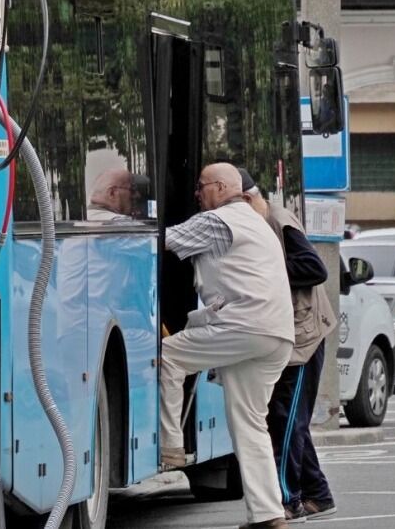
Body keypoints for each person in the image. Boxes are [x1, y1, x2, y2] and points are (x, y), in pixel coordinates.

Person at [160, 162, 295, 529]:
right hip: (277, 335)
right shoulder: (256, 221)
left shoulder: (218, 220)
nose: (197, 194)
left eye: (201, 186)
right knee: (251, 425)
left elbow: (161, 240)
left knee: (168, 357)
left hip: (246, 327)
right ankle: (268, 514)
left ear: (220, 187)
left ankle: (170, 445)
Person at [238, 167, 338, 522]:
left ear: (248, 199)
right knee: (288, 418)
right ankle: (318, 494)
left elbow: (314, 268)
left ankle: (286, 498)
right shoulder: (261, 222)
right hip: (288, 333)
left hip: (302, 339)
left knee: (286, 420)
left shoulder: (278, 221)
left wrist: (266, 267)